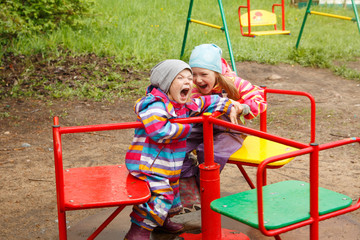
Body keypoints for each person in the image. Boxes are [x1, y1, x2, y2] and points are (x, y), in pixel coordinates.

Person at [124, 59, 242, 240]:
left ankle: (162, 223)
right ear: (165, 83)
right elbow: (159, 131)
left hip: (168, 164)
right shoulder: (155, 105)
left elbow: (204, 103)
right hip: (148, 165)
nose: (188, 82)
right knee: (160, 198)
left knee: (172, 196)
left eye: (189, 78)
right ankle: (138, 232)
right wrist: (188, 127)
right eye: (180, 78)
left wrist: (229, 105)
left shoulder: (183, 106)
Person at [180, 43, 267, 185]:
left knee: (209, 152)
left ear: (217, 73)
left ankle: (204, 186)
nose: (198, 80)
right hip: (202, 129)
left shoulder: (235, 84)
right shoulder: (194, 88)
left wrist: (243, 107)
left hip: (230, 130)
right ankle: (190, 181)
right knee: (175, 146)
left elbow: (258, 100)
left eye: (203, 74)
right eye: (193, 74)